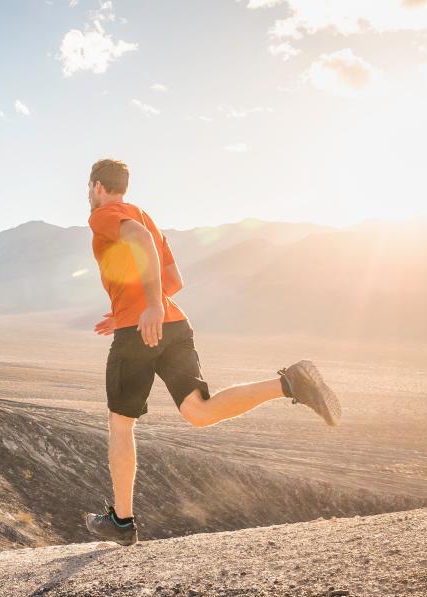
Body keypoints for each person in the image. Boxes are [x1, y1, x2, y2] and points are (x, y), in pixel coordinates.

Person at [82, 159, 341, 546]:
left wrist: (147, 307)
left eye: (88, 188)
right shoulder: (145, 216)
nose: (88, 195)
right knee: (198, 411)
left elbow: (139, 241)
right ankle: (289, 383)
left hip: (140, 331)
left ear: (97, 185)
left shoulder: (106, 214)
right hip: (173, 326)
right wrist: (134, 304)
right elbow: (174, 279)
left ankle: (121, 521)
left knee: (121, 423)